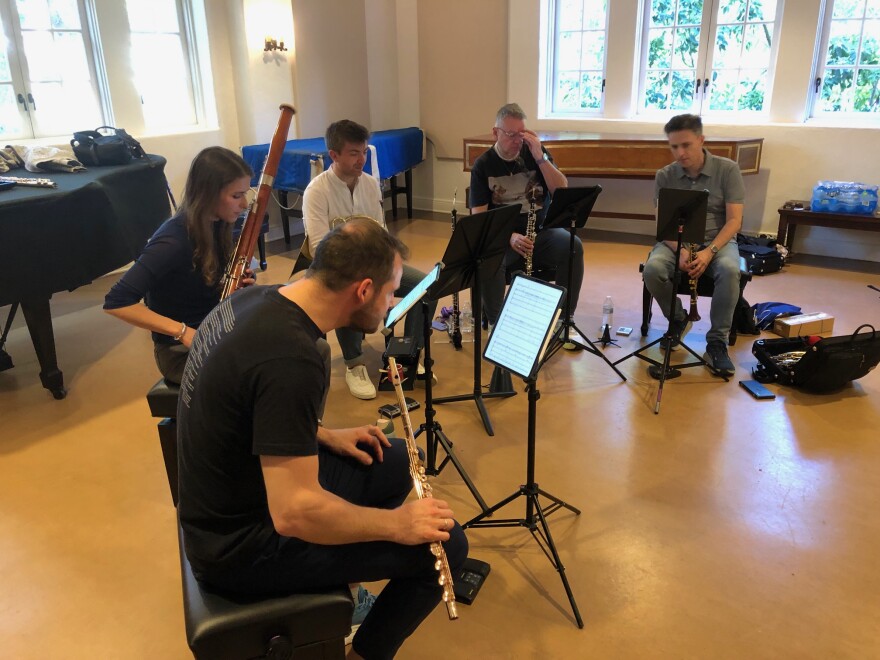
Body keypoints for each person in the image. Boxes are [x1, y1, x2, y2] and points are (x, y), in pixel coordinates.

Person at [177, 218, 468, 660]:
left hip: (235, 492)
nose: (392, 304)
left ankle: (343, 597)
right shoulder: (294, 357)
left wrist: (324, 435)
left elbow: (246, 404)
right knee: (446, 547)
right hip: (236, 547)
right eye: (391, 292)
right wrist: (398, 525)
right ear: (364, 290)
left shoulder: (260, 299)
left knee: (389, 460)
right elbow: (295, 513)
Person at [303, 119, 435, 400]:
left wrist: (391, 264)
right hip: (336, 269)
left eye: (363, 152)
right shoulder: (317, 190)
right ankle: (354, 364)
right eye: (353, 153)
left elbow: (381, 232)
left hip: (372, 265)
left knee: (426, 286)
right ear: (334, 155)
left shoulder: (371, 184)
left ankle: (408, 356)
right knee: (353, 288)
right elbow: (317, 248)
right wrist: (360, 266)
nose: (361, 159)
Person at [103, 146, 258, 384]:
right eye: (236, 196)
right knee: (266, 373)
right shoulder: (173, 241)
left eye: (245, 194)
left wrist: (238, 283)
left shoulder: (218, 224)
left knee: (306, 348)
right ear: (209, 194)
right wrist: (183, 332)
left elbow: (202, 286)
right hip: (180, 353)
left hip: (217, 333)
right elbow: (116, 302)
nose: (245, 204)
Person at [642, 113, 744, 376]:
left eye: (686, 145)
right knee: (652, 270)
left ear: (701, 140)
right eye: (674, 146)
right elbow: (661, 223)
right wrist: (681, 250)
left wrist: (709, 253)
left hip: (717, 241)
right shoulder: (665, 175)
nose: (680, 152)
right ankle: (677, 318)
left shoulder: (728, 169)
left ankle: (717, 342)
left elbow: (734, 221)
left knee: (731, 270)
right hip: (676, 240)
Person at [469, 103, 580, 330]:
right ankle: (497, 324)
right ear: (495, 133)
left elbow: (561, 189)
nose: (517, 141)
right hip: (502, 238)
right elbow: (479, 217)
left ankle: (562, 319)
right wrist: (509, 237)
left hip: (540, 232)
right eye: (510, 135)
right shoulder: (483, 165)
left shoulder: (535, 154)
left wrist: (540, 156)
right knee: (490, 258)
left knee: (573, 245)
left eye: (521, 134)